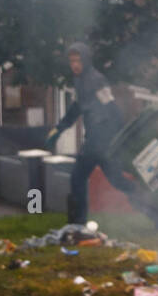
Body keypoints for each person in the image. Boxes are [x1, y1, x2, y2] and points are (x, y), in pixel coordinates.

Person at [45, 42, 143, 225]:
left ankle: (78, 223)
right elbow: (76, 108)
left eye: (78, 60)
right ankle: (150, 205)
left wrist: (113, 138)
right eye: (71, 60)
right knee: (117, 180)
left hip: (100, 139)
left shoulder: (96, 80)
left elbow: (111, 108)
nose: (74, 64)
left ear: (86, 60)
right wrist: (58, 129)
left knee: (78, 177)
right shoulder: (80, 81)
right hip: (96, 140)